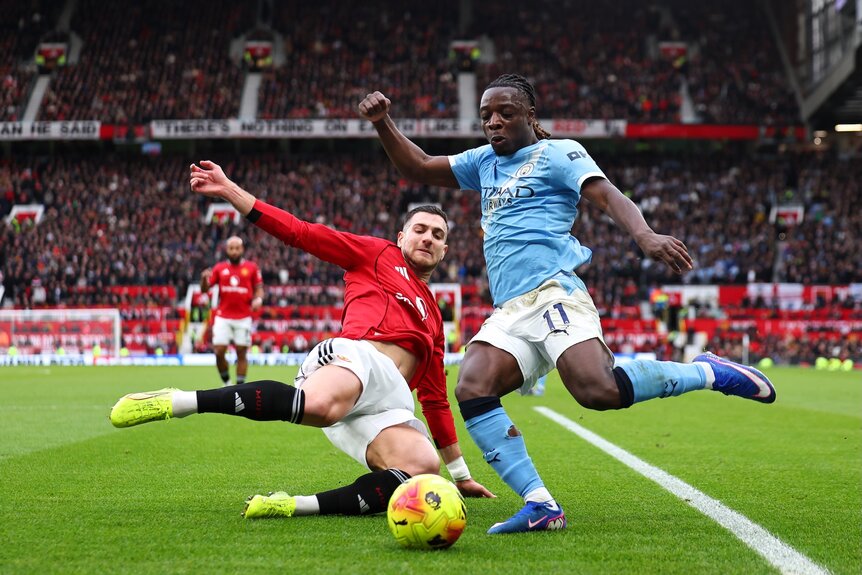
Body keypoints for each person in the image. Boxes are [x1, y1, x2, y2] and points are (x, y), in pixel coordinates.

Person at [358, 74, 776, 534]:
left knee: (596, 391)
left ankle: (707, 372)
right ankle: (540, 504)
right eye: (486, 116)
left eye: (505, 113)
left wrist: (644, 235)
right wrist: (383, 122)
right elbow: (418, 166)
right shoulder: (482, 162)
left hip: (554, 291)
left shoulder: (557, 153)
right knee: (472, 385)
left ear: (530, 116)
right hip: (510, 309)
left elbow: (607, 195)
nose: (493, 122)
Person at [110, 160, 493, 520]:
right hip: (358, 359)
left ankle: (292, 505)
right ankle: (178, 401)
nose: (427, 238)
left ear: (445, 250)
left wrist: (460, 475)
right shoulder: (377, 253)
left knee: (422, 467)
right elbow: (301, 232)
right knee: (320, 406)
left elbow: (435, 400)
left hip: (388, 401)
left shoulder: (435, 318)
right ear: (401, 236)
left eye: (437, 235)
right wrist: (230, 190)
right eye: (420, 229)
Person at [200, 236, 264, 386]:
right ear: (227, 250)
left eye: (237, 248)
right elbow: (205, 289)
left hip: (244, 317)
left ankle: (239, 388)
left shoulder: (252, 268)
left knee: (241, 352)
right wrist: (203, 279)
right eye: (231, 248)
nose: (234, 251)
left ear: (242, 249)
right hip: (223, 316)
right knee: (219, 351)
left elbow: (259, 288)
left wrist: (258, 300)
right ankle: (227, 383)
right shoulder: (219, 268)